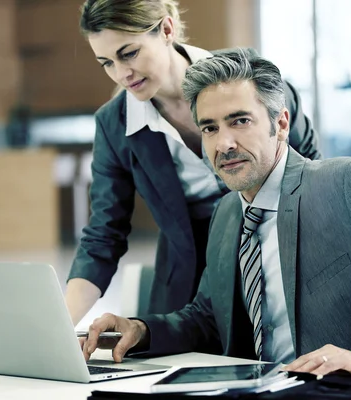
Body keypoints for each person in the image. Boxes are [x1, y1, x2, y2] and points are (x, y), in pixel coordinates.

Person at [81, 49, 351, 378]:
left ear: (280, 124)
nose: (223, 142)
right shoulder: (229, 213)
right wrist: (142, 330)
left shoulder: (345, 184)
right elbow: (208, 318)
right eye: (209, 128)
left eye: (239, 121)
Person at [66, 0, 321, 326]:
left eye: (129, 53)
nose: (121, 74)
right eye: (106, 63)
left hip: (274, 255)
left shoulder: (250, 80)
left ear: (167, 29)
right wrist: (59, 325)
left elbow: (312, 178)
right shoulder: (115, 124)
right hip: (185, 286)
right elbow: (104, 234)